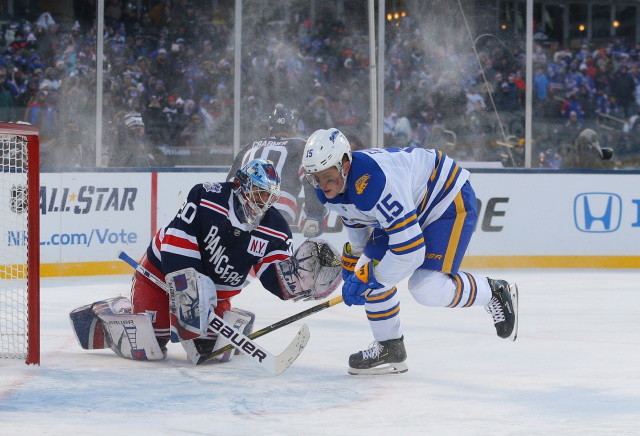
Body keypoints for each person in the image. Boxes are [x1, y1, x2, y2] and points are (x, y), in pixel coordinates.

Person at [69, 159, 340, 363]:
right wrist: (190, 289)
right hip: (161, 276)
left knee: (209, 353)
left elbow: (272, 275)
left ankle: (233, 317)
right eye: (259, 193)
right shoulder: (207, 196)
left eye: (269, 196)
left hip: (213, 297)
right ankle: (111, 311)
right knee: (149, 347)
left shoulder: (276, 229)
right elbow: (176, 240)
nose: (263, 201)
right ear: (241, 186)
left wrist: (298, 282)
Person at [302, 128, 519, 375]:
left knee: (427, 288)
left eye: (329, 177)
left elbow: (410, 252)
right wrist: (354, 263)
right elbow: (355, 220)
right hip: (409, 203)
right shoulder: (326, 190)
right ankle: (390, 348)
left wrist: (370, 278)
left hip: (443, 198)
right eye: (316, 178)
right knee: (366, 270)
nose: (324, 185)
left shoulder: (375, 182)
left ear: (345, 165)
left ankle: (493, 291)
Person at [227, 106, 327, 237]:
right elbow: (311, 180)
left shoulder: (249, 146)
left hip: (241, 209)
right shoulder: (301, 146)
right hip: (279, 208)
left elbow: (230, 182)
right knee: (271, 253)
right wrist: (314, 215)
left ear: (270, 128)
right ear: (293, 128)